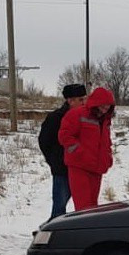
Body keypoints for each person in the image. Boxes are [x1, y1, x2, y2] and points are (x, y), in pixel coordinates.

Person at [58, 86, 115, 211]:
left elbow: (106, 142)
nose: (106, 108)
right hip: (79, 167)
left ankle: (91, 230)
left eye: (109, 106)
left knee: (93, 208)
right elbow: (64, 136)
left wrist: (108, 156)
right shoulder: (77, 114)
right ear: (96, 103)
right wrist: (80, 152)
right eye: (103, 105)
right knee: (83, 208)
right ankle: (81, 230)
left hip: (97, 168)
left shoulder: (105, 120)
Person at [39, 83, 87, 219]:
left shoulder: (86, 117)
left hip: (81, 169)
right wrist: (55, 162)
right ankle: (50, 235)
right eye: (81, 99)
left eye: (85, 98)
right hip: (62, 171)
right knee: (59, 210)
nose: (84, 102)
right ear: (70, 100)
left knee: (85, 209)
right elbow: (44, 141)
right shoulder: (55, 118)